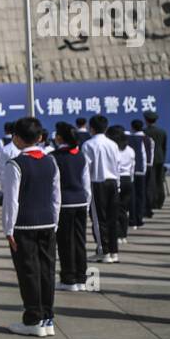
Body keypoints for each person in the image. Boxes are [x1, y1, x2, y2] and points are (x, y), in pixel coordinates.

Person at [0, 116, 61, 337]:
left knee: (28, 272)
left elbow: (11, 200)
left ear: (16, 138)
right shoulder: (50, 161)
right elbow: (56, 195)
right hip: (47, 222)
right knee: (47, 270)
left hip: (24, 225)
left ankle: (33, 318)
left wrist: (9, 229)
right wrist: (54, 221)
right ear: (40, 137)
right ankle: (47, 317)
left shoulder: (15, 164)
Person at [51, 123, 93, 292]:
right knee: (80, 241)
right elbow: (86, 184)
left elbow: (53, 185)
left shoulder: (54, 156)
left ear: (60, 138)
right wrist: (87, 203)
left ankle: (68, 278)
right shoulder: (81, 156)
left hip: (64, 203)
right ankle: (81, 278)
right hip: (80, 202)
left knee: (65, 242)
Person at [82, 115, 121, 262]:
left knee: (99, 220)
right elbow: (118, 165)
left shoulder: (88, 145)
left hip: (97, 183)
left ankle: (103, 250)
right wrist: (118, 185)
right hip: (112, 182)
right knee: (112, 218)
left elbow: (86, 169)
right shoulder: (113, 144)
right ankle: (113, 251)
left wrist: (86, 191)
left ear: (91, 128)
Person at [110, 125, 134, 241]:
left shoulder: (114, 149)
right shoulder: (130, 150)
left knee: (115, 210)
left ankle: (118, 234)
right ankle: (124, 234)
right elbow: (132, 167)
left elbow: (115, 167)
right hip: (128, 179)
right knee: (124, 209)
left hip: (118, 179)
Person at [143, 110, 168, 213]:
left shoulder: (144, 132)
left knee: (150, 181)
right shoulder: (162, 132)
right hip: (160, 158)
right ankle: (160, 201)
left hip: (149, 159)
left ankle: (151, 201)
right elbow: (164, 147)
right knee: (159, 180)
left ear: (146, 120)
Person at [128, 119, 151, 228]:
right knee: (141, 196)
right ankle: (139, 218)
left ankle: (132, 220)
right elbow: (146, 156)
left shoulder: (129, 138)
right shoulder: (146, 139)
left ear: (132, 127)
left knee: (132, 196)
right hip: (141, 170)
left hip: (131, 171)